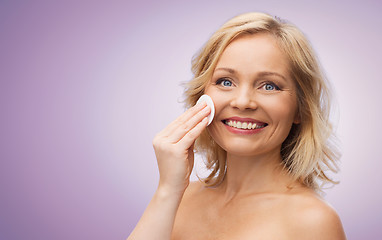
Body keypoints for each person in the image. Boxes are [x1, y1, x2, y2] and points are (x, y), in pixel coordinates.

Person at [128, 12, 346, 240]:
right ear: (202, 97)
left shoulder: (313, 221)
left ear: (300, 109)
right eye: (225, 82)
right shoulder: (178, 198)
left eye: (269, 86)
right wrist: (168, 189)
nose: (242, 102)